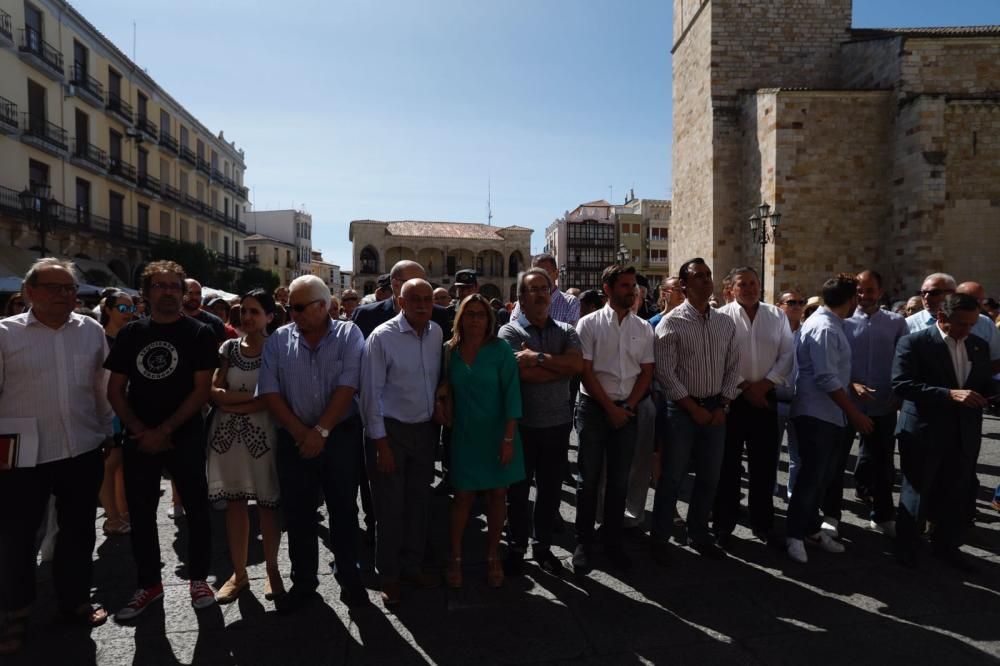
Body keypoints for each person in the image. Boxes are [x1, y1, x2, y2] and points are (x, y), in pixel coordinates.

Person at [0, 259, 113, 655]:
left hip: (81, 447)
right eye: (55, 287)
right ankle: (15, 613)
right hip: (23, 456)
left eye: (70, 288)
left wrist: (105, 430)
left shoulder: (90, 330)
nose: (66, 295)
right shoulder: (5, 335)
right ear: (30, 292)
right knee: (18, 536)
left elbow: (102, 386)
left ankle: (75, 602)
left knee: (79, 530)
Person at [106, 261, 219, 620]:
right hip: (140, 438)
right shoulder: (131, 334)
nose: (168, 292)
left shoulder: (200, 333)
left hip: (183, 435)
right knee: (140, 513)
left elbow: (202, 391)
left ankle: (199, 579)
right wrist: (141, 430)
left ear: (183, 293)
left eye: (175, 286)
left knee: (197, 511)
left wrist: (165, 430)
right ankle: (148, 584)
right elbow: (114, 390)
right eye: (160, 286)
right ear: (147, 292)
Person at [258, 275, 367, 610]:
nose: (293, 313)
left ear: (323, 306)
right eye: (290, 307)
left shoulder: (349, 333)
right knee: (299, 513)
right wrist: (301, 433)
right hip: (294, 439)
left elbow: (348, 385)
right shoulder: (278, 339)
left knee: (344, 511)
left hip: (339, 437)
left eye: (300, 307)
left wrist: (320, 432)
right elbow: (270, 392)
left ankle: (350, 577)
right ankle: (304, 582)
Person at [892, 293, 995, 571]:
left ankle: (946, 545)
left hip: (964, 432)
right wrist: (949, 394)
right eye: (962, 324)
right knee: (917, 491)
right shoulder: (915, 342)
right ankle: (907, 547)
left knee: (955, 491)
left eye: (972, 324)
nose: (967, 330)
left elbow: (981, 384)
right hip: (924, 431)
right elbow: (902, 384)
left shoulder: (978, 345)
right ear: (942, 318)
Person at [650, 259, 739, 564]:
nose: (705, 281)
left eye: (708, 275)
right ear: (684, 286)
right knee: (672, 477)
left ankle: (699, 533)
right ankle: (660, 536)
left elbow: (733, 364)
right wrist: (691, 406)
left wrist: (724, 404)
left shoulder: (725, 323)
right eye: (698, 277)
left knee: (709, 477)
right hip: (682, 411)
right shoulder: (671, 323)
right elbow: (665, 371)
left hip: (716, 409)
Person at [360, 279, 442, 606]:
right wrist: (380, 444)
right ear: (400, 301)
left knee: (419, 504)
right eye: (415, 299)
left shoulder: (436, 333)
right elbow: (370, 395)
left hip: (424, 431)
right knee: (389, 510)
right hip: (390, 432)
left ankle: (412, 566)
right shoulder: (382, 338)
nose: (423, 305)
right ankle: (389, 576)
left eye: (427, 299)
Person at [785, 275, 873, 564]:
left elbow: (833, 371)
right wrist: (854, 412)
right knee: (811, 478)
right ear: (852, 300)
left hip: (826, 413)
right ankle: (795, 535)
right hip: (816, 414)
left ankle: (809, 530)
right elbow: (825, 377)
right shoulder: (824, 327)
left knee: (820, 477)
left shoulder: (829, 323)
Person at [499, 268, 582, 576]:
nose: (539, 294)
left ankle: (542, 547)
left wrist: (540, 358)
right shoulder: (509, 333)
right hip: (521, 426)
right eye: (532, 289)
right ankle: (517, 547)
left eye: (544, 288)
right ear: (521, 297)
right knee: (517, 492)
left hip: (558, 424)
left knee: (549, 491)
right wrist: (556, 366)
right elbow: (520, 373)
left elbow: (576, 366)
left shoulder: (565, 330)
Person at [573, 265, 654, 574]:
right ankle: (583, 542)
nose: (631, 290)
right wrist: (611, 408)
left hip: (628, 410)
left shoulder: (643, 328)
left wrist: (629, 407)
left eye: (633, 285)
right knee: (588, 478)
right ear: (607, 288)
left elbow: (646, 372)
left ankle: (613, 542)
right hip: (594, 409)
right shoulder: (589, 324)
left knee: (620, 479)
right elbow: (586, 371)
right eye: (624, 285)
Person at [207, 290, 283, 604]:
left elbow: (272, 397)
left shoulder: (278, 349)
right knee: (235, 503)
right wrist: (249, 400)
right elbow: (215, 391)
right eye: (244, 311)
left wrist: (235, 401)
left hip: (263, 436)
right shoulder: (228, 347)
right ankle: (238, 573)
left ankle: (273, 570)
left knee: (268, 505)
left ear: (269, 317)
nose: (247, 317)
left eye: (255, 311)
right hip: (228, 436)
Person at [444, 294, 524, 588]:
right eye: (470, 313)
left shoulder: (500, 350)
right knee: (462, 497)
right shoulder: (449, 351)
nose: (475, 319)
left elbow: (512, 395)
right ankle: (455, 557)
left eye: (481, 314)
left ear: (489, 320)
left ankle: (492, 556)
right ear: (461, 318)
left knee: (496, 496)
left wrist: (508, 439)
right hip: (464, 436)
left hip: (497, 435)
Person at [714, 267, 794, 546]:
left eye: (752, 283)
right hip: (732, 399)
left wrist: (765, 385)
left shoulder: (776, 315)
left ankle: (763, 523)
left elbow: (787, 354)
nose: (748, 288)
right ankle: (724, 525)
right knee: (729, 465)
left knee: (764, 465)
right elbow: (718, 357)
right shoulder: (721, 317)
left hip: (765, 397)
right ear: (732, 289)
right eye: (742, 284)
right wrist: (745, 387)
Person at [835, 270, 907, 538]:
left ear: (880, 291)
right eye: (860, 291)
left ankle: (884, 514)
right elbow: (836, 361)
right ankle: (831, 514)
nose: (864, 296)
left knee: (883, 463)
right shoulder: (842, 322)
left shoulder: (896, 322)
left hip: (883, 404)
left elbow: (904, 360)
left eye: (869, 290)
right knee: (836, 461)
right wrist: (851, 383)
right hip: (846, 404)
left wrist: (899, 392)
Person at [99, 290, 136, 537]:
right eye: (122, 308)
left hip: (126, 406)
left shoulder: (130, 336)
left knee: (122, 463)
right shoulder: (98, 339)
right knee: (110, 464)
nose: (129, 313)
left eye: (131, 308)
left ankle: (123, 513)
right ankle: (111, 517)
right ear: (108, 310)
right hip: (105, 408)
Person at [352, 260, 452, 339]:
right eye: (415, 282)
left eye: (424, 282)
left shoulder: (439, 315)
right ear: (395, 284)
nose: (423, 286)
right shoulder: (366, 315)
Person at [776, 290, 806, 497]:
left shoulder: (809, 332)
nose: (796, 305)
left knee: (799, 455)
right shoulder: (772, 333)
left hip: (801, 401)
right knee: (771, 452)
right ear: (780, 306)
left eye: (800, 302)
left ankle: (794, 493)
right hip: (776, 400)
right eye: (791, 302)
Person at [509, 254, 580, 325]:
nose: (539, 279)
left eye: (545, 274)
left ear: (556, 274)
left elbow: (567, 334)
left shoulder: (571, 303)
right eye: (535, 274)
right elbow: (513, 329)